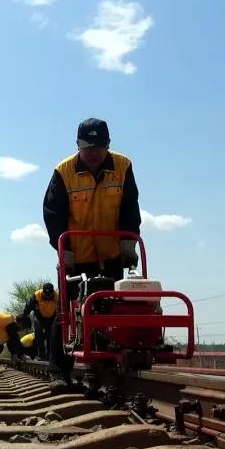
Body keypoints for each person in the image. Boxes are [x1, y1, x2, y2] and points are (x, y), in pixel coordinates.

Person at [41, 118, 142, 390]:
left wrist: (128, 244)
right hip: (77, 255)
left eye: (99, 146)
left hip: (110, 253)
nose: (94, 152)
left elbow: (130, 206)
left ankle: (108, 365)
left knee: (111, 310)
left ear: (108, 145)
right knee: (66, 312)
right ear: (78, 145)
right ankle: (59, 371)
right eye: (87, 147)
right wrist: (65, 251)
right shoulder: (64, 171)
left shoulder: (122, 166)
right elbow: (53, 214)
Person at [21, 282, 58, 360]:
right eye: (46, 294)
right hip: (39, 317)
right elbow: (28, 307)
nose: (48, 297)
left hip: (51, 318)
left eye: (49, 295)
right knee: (39, 335)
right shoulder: (36, 295)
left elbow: (63, 308)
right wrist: (24, 318)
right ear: (43, 291)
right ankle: (41, 356)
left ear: (52, 292)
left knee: (50, 336)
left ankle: (50, 356)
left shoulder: (57, 296)